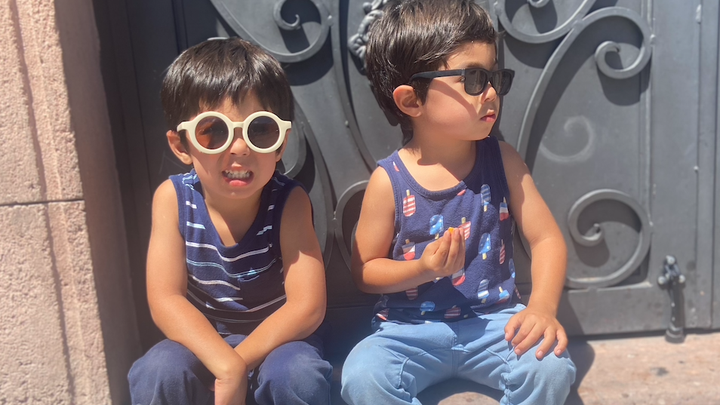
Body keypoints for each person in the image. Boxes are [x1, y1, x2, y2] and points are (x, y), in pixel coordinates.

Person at [341, 1, 577, 404]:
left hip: (496, 326)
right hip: (407, 332)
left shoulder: (502, 160)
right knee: (363, 376)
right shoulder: (389, 180)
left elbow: (547, 239)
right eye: (473, 78)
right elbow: (365, 270)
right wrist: (422, 269)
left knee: (551, 368)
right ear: (411, 101)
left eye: (494, 77)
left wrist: (541, 307)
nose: (492, 93)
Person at [128, 38, 332, 405]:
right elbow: (166, 299)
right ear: (182, 146)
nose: (239, 147)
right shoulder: (172, 199)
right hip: (201, 341)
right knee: (158, 370)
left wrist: (235, 365)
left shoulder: (288, 202)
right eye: (214, 131)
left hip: (278, 340)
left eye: (260, 130)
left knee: (298, 374)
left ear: (281, 144)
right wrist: (224, 364)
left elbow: (307, 306)